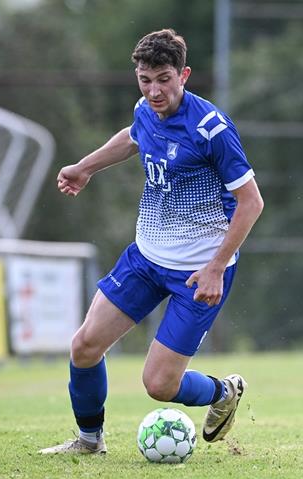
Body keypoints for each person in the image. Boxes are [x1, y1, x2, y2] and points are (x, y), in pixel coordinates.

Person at [40, 29, 263, 455]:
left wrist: (217, 266)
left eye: (163, 78)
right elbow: (130, 137)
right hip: (145, 258)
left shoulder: (211, 129)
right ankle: (89, 441)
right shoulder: (146, 109)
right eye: (145, 79)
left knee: (159, 385)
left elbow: (251, 202)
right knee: (84, 347)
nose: (154, 90)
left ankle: (223, 391)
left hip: (199, 272)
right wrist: (85, 167)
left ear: (184, 75)